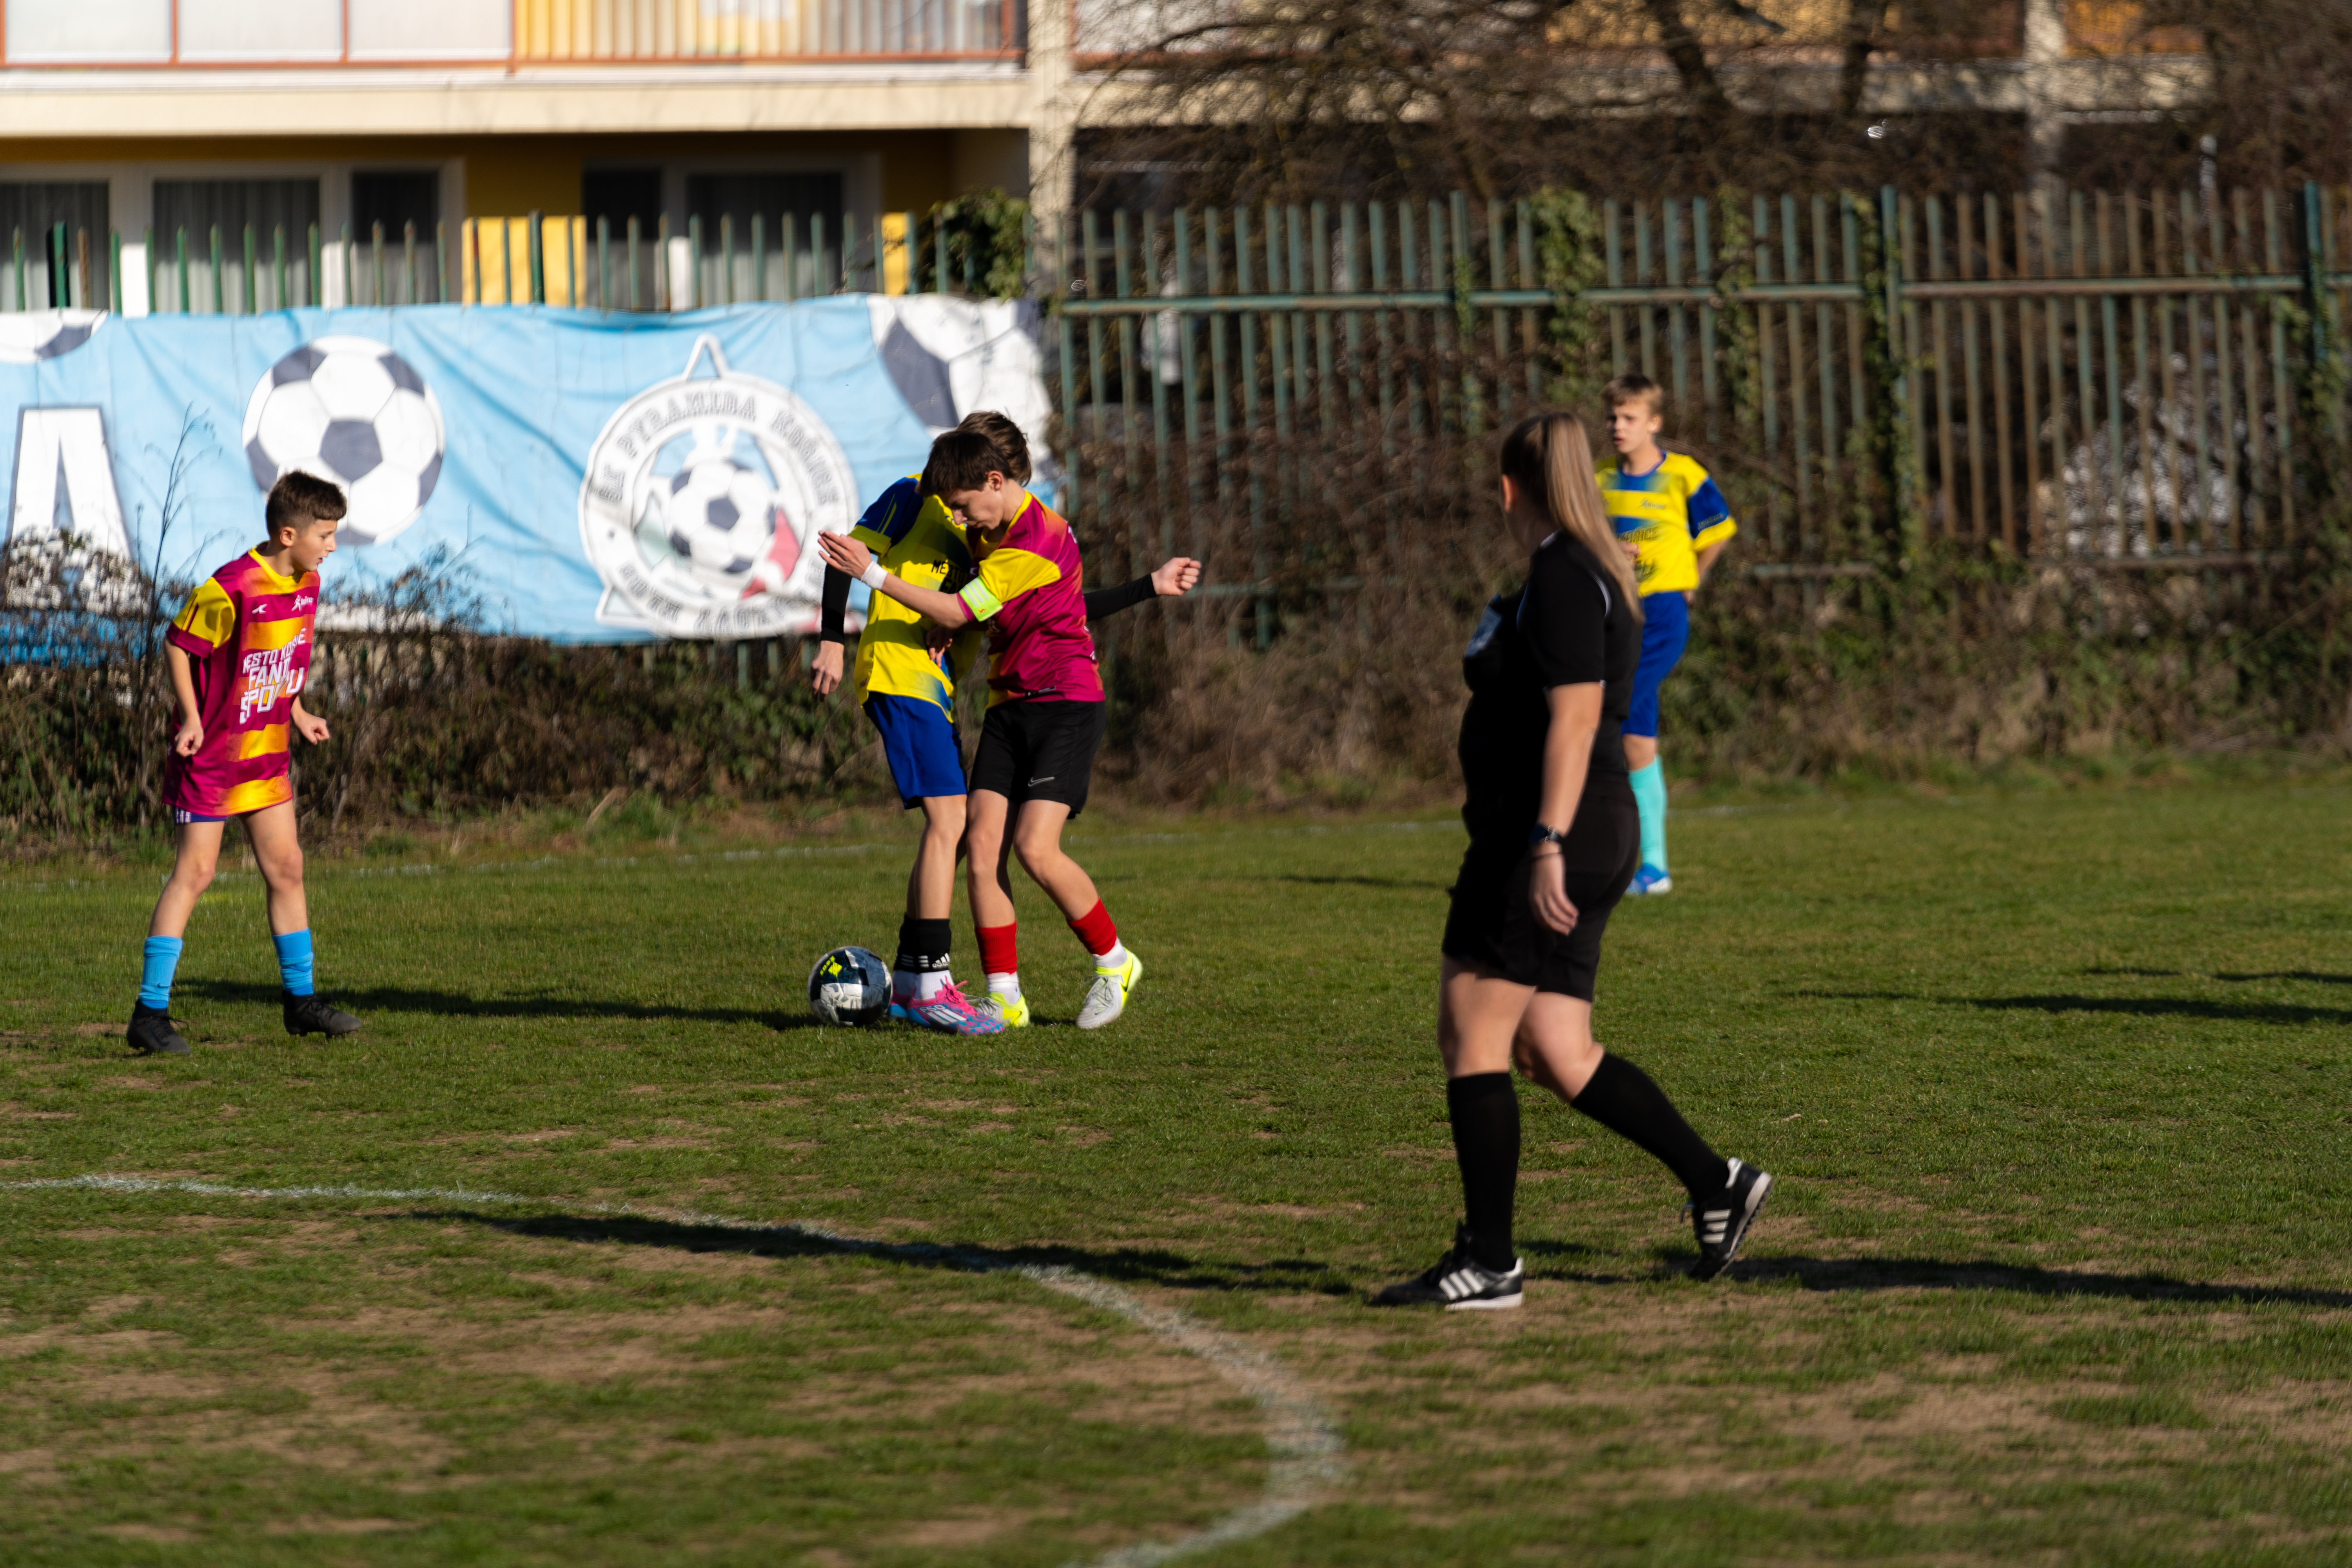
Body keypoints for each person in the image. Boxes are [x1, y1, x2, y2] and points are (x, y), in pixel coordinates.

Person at [1375, 411, 1769, 1309]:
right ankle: (1719, 1183)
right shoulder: (1581, 569)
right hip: (1588, 831)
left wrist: (1545, 841)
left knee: (1470, 1035)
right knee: (1555, 1047)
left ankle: (1491, 1260)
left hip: (1546, 838)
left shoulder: (1562, 572)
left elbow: (1580, 715)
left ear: (1512, 487)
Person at [812, 414, 1198, 1032]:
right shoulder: (984, 529)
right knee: (982, 848)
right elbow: (1022, 603)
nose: (959, 522)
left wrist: (881, 580)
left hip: (1064, 703)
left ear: (996, 479)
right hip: (1007, 703)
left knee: (1034, 848)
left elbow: (976, 603)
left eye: (964, 508)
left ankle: (1113, 961)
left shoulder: (1033, 537)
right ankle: (1004, 995)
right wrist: (1146, 585)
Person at [127, 470, 363, 1058]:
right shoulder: (232, 586)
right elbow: (178, 644)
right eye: (326, 535)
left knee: (288, 868)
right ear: (289, 534)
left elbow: (275, 659)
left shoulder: (307, 583)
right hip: (211, 760)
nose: (333, 546)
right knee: (196, 874)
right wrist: (191, 718)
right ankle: (149, 1014)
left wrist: (299, 710)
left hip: (266, 756)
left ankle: (301, 1003)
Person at [1596, 373, 1737, 897]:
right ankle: (1652, 868)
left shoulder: (1683, 475)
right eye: (1612, 417)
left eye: (1629, 418)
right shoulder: (1600, 479)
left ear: (1653, 423)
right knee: (1636, 738)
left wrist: (1693, 580)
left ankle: (1606, 854)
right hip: (1616, 614)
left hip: (1662, 614)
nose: (1618, 426)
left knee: (1613, 710)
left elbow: (1719, 529)